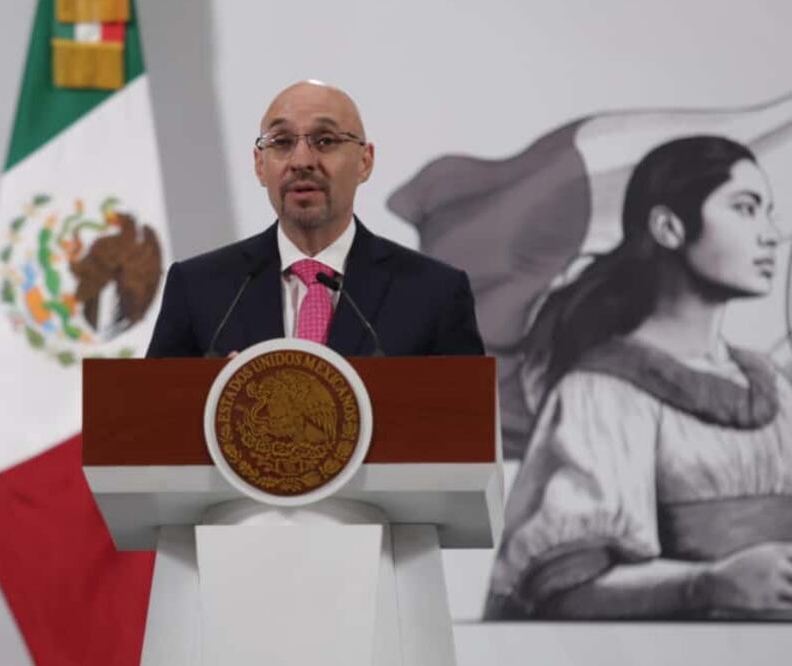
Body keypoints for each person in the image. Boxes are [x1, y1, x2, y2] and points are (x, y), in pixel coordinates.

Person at [485, 135, 792, 620]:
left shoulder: (775, 386)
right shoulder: (602, 393)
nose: (772, 235)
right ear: (669, 227)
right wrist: (708, 585)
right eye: (745, 208)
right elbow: (561, 586)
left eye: (767, 212)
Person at [146, 80, 484, 358]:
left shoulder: (435, 293)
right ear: (260, 165)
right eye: (282, 142)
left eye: (325, 141)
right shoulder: (198, 288)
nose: (302, 161)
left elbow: (464, 419)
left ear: (365, 162)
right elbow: (152, 414)